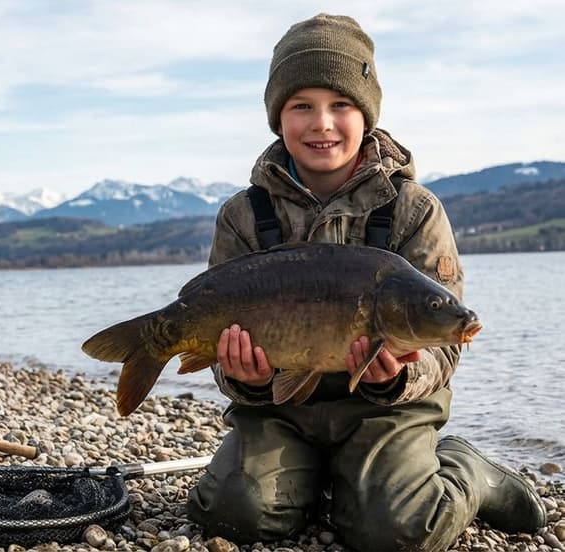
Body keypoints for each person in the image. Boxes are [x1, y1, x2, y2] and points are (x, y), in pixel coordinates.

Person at [185, 13, 546, 552]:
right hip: (280, 410)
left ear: (368, 114)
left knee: (396, 532)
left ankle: (471, 472)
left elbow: (444, 350)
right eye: (301, 106)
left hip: (387, 410)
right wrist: (246, 379)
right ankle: (310, 483)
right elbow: (220, 341)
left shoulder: (415, 210)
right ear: (277, 117)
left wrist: (394, 379)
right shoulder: (243, 215)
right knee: (236, 516)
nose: (322, 123)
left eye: (341, 105)